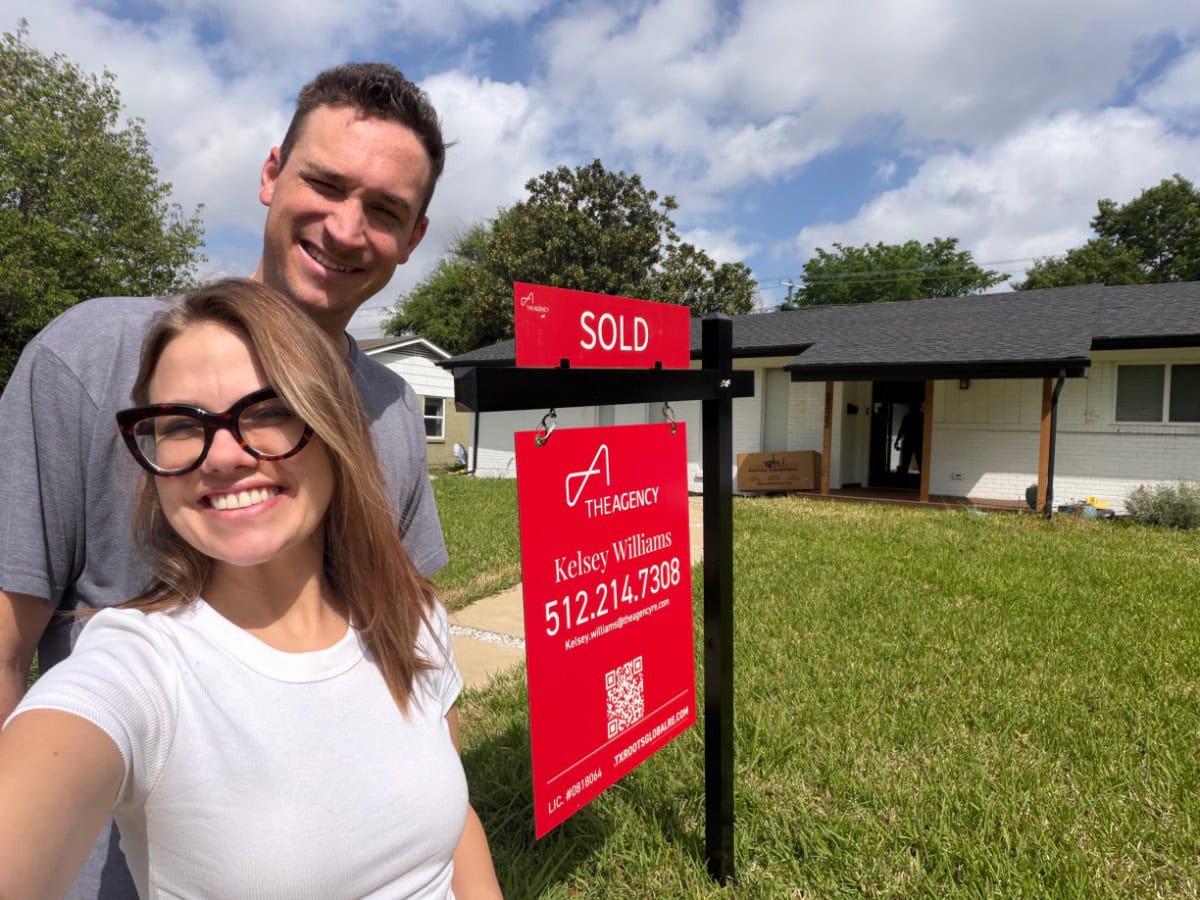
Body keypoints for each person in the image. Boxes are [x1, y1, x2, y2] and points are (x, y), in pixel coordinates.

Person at [0, 63, 448, 897]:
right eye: (324, 182)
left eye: (384, 210)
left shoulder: (389, 411)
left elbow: (415, 659)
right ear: (272, 174)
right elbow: (9, 644)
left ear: (414, 237)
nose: (347, 228)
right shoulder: (91, 357)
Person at [0, 279, 503, 899]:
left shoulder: (412, 617)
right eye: (181, 424)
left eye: (268, 412)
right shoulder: (135, 668)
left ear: (335, 429)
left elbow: (456, 833)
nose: (223, 457)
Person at [894, 403, 924, 475]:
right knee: (919, 463)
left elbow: (902, 430)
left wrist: (897, 441)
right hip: (918, 441)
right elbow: (902, 430)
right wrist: (897, 440)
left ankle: (903, 481)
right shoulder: (922, 417)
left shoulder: (908, 417)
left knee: (905, 463)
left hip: (910, 441)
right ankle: (921, 480)